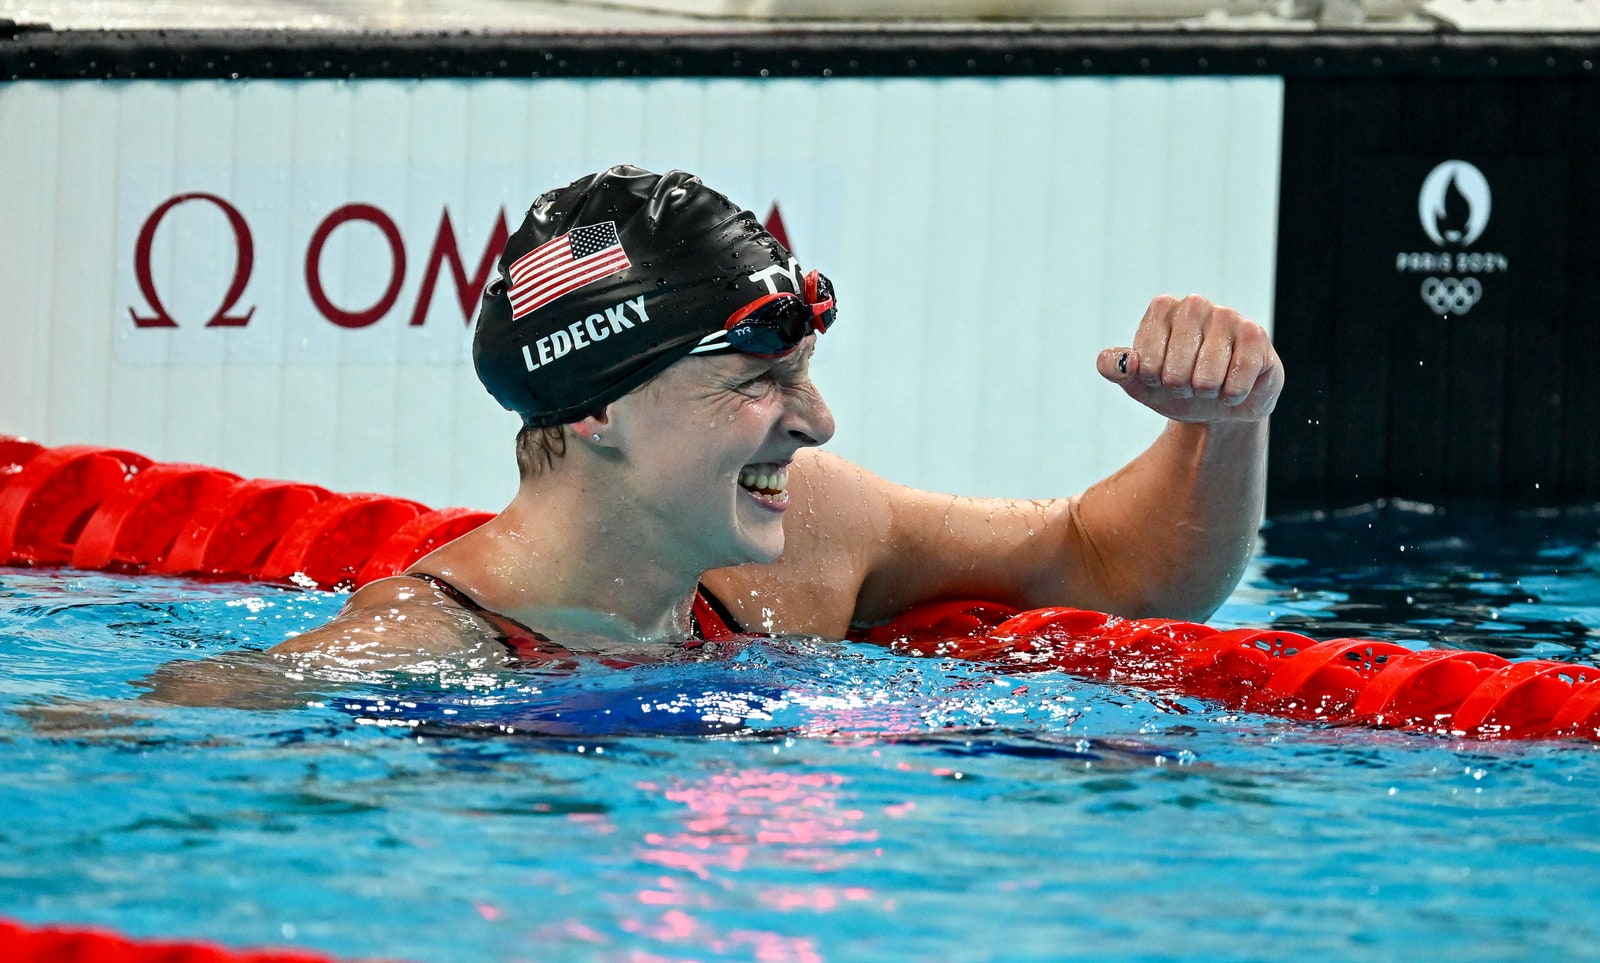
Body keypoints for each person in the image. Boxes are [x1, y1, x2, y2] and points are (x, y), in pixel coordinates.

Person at [268, 165, 1282, 668]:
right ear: (596, 408)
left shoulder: (811, 533)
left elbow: (1116, 568)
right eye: (756, 380)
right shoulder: (414, 654)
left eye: (803, 372)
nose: (818, 423)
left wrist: (1225, 426)